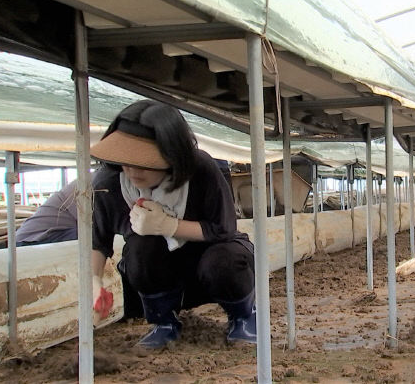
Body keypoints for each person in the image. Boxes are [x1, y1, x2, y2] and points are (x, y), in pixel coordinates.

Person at [89, 100, 256, 349]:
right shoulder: (109, 182)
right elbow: (98, 239)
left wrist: (169, 226)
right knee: (139, 249)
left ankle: (243, 317)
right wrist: (93, 281)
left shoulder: (201, 170)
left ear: (174, 156)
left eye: (144, 162)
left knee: (224, 259)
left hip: (211, 259)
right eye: (126, 160)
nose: (133, 170)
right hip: (162, 273)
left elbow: (223, 230)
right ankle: (164, 322)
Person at [15, 177, 83, 246]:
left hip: (41, 238)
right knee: (89, 234)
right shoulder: (86, 185)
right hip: (30, 241)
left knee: (89, 233)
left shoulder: (85, 181)